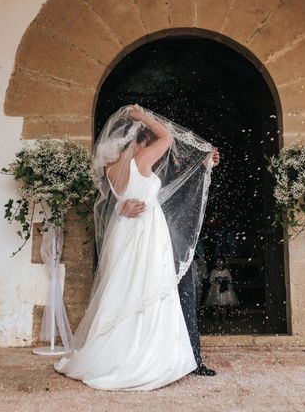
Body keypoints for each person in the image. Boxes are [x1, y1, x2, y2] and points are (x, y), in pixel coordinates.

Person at [54, 104, 215, 390]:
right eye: (148, 142)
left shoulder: (110, 169)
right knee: (148, 288)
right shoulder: (140, 161)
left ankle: (116, 350)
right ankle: (145, 355)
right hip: (145, 234)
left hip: (123, 231)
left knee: (124, 289)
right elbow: (166, 137)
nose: (157, 150)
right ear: (141, 142)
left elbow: (114, 202)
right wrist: (143, 117)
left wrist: (119, 209)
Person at [121, 146, 220, 376]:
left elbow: (187, 181)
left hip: (175, 240)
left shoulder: (173, 161)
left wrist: (207, 164)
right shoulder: (131, 163)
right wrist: (121, 206)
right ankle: (149, 359)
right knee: (147, 299)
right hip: (143, 242)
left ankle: (193, 359)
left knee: (185, 298)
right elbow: (114, 193)